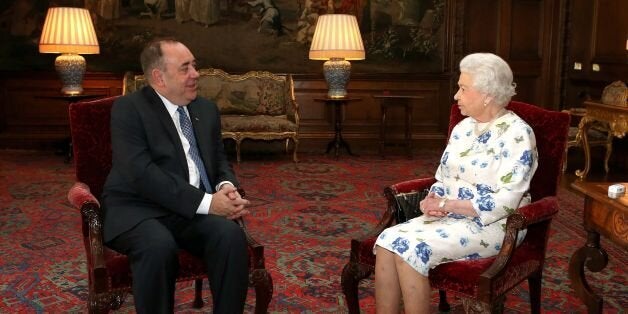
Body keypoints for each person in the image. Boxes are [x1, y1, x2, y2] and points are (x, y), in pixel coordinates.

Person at [373, 52, 538, 313]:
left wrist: (449, 204)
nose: (455, 96)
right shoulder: (463, 128)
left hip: (495, 225)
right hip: (450, 217)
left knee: (408, 252)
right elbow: (443, 177)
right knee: (385, 243)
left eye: (462, 88)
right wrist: (432, 200)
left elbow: (506, 202)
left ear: (487, 94)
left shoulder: (518, 134)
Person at [102, 38, 251, 314]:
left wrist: (227, 186)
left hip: (188, 210)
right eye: (185, 68)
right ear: (159, 77)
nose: (195, 74)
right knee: (158, 247)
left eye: (195, 65)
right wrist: (208, 204)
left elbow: (218, 160)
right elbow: (141, 174)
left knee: (230, 237)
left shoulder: (205, 109)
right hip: (139, 209)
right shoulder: (129, 110)